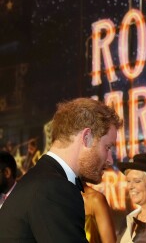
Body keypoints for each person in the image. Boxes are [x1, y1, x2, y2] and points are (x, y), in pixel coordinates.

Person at [0, 97, 122, 242]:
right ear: (87, 138)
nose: (110, 159)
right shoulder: (54, 188)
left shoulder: (40, 180)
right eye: (107, 147)